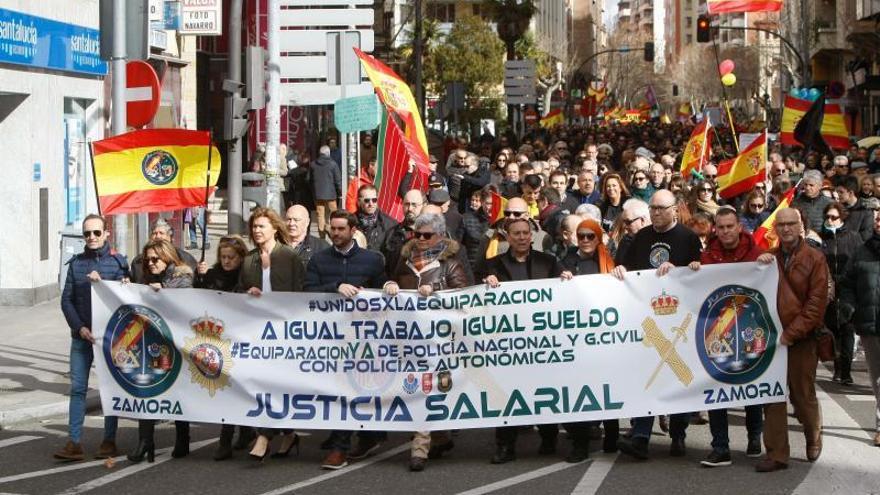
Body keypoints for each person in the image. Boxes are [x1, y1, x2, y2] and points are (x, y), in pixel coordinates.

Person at [612, 189, 702, 460]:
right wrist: (620, 270)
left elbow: (699, 271)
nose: (656, 213)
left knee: (678, 378)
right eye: (652, 208)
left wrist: (684, 270)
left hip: (678, 320)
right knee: (646, 378)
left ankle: (678, 434)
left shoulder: (688, 237)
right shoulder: (642, 236)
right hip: (647, 319)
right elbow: (625, 268)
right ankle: (640, 437)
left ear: (675, 209)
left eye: (662, 208)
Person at [384, 212, 469, 471]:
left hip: (440, 342)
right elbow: (389, 281)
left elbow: (463, 299)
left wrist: (437, 293)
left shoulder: (451, 264)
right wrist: (388, 285)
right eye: (417, 234)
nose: (420, 239)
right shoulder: (403, 260)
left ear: (440, 236)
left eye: (427, 235)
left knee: (435, 390)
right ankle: (428, 444)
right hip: (410, 341)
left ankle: (427, 443)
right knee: (419, 389)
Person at [305, 210, 389, 470]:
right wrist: (335, 288)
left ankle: (362, 439)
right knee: (341, 390)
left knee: (361, 390)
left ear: (353, 230)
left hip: (366, 339)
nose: (335, 233)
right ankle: (344, 445)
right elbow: (306, 292)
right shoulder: (318, 261)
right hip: (332, 340)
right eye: (333, 228)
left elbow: (382, 290)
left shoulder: (372, 260)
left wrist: (384, 289)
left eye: (341, 229)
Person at [483, 217, 570, 464]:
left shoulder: (549, 262)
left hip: (542, 341)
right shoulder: (493, 265)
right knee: (507, 395)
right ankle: (505, 446)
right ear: (507, 237)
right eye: (516, 234)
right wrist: (486, 286)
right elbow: (478, 299)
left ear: (531, 236)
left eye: (525, 233)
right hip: (509, 344)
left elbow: (564, 293)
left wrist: (565, 279)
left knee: (544, 390)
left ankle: (549, 436)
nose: (521, 237)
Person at [689, 207, 765, 467]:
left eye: (730, 226)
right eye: (720, 227)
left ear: (739, 227)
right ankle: (720, 447)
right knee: (716, 389)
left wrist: (766, 265)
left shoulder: (756, 254)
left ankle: (755, 437)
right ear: (715, 229)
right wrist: (694, 270)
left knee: (751, 385)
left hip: (748, 326)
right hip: (717, 330)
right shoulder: (708, 256)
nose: (725, 231)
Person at [755, 208, 828, 472]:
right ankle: (776, 454)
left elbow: (816, 305)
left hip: (802, 339)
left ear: (801, 227)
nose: (785, 229)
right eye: (781, 224)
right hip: (773, 339)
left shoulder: (815, 259)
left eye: (791, 224)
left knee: (801, 395)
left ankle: (813, 434)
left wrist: (791, 334)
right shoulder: (769, 257)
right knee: (772, 396)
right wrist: (759, 267)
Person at [55, 214, 128, 461]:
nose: (92, 238)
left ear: (106, 233)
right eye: (87, 234)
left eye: (96, 233)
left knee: (110, 388)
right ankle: (74, 442)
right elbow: (66, 300)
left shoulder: (119, 263)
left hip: (110, 340)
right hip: (82, 337)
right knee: (77, 389)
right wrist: (79, 328)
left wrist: (111, 282)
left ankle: (109, 441)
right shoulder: (76, 264)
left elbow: (127, 300)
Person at [239, 207, 305, 462]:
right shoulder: (249, 259)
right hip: (257, 332)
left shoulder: (288, 256)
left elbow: (301, 291)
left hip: (284, 332)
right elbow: (239, 290)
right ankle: (288, 434)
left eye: (262, 226)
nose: (257, 231)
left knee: (278, 384)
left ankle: (264, 436)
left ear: (275, 228)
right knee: (265, 384)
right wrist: (248, 292)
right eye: (254, 227)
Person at [128, 239, 195, 464]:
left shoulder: (182, 276)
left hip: (176, 343)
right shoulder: (146, 277)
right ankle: (145, 441)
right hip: (151, 343)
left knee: (176, 389)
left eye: (155, 259)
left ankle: (183, 438)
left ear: (167, 257)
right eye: (147, 260)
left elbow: (184, 301)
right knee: (146, 387)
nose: (151, 263)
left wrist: (164, 291)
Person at [559, 218, 620, 462]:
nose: (585, 240)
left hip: (605, 336)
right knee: (580, 391)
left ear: (598, 237)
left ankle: (612, 435)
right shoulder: (566, 261)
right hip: (577, 338)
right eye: (581, 236)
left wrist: (620, 274)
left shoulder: (609, 261)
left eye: (590, 236)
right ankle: (580, 444)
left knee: (608, 388)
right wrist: (560, 279)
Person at [194, 235, 256, 460]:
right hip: (218, 338)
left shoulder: (247, 276)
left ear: (241, 258)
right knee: (227, 388)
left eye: (231, 257)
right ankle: (229, 437)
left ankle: (238, 434)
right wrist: (199, 278)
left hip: (243, 338)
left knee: (240, 387)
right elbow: (198, 298)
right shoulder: (212, 274)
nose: (227, 261)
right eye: (223, 257)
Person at [838, 209, 880, 447]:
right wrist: (849, 308)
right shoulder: (861, 251)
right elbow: (846, 283)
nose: (879, 222)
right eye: (878, 218)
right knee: (878, 378)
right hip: (869, 324)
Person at [819, 202, 862, 385]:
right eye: (827, 217)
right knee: (832, 329)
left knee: (847, 329)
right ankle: (837, 368)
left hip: (847, 289)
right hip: (828, 288)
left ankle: (846, 372)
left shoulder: (853, 237)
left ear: (841, 218)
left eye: (834, 217)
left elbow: (858, 261)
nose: (830, 220)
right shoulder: (821, 238)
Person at [130, 218, 197, 283]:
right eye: (154, 233)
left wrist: (202, 274)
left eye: (161, 233)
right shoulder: (138, 261)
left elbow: (192, 284)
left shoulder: (185, 258)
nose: (158, 236)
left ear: (170, 237)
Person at [285, 204, 329, 269]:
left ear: (307, 222)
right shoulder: (276, 245)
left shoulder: (321, 247)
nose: (291, 223)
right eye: (288, 219)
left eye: (296, 220)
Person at [311, 145, 342, 239]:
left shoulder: (313, 164)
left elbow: (309, 179)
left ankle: (322, 236)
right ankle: (336, 233)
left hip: (318, 194)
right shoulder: (333, 164)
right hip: (331, 194)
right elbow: (338, 180)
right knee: (334, 214)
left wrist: (314, 190)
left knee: (320, 215)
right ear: (328, 153)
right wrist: (340, 192)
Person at [355, 184, 397, 252]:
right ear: (359, 201)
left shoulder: (390, 224)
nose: (371, 204)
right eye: (367, 200)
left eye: (374, 200)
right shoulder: (350, 222)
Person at [834, 174, 874, 241]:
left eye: (841, 192)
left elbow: (866, 234)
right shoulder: (837, 207)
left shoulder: (865, 209)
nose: (837, 195)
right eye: (836, 191)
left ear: (851, 193)